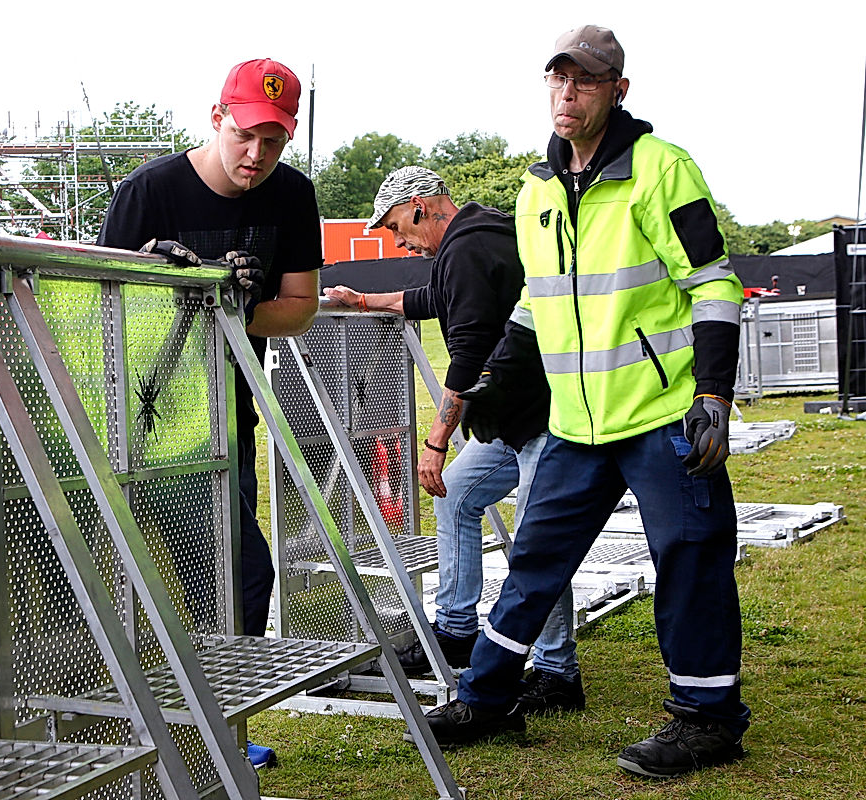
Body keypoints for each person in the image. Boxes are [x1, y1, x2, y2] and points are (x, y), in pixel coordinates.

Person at [419, 25, 750, 780]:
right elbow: (538, 299)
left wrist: (713, 395)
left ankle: (708, 720)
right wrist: (492, 378)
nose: (568, 94)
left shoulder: (662, 170)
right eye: (558, 80)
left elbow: (714, 283)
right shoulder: (535, 189)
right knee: (534, 562)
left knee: (689, 557)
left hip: (660, 413)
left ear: (617, 91)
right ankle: (487, 698)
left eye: (587, 82)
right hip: (574, 422)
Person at [323, 166, 583, 714]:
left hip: (541, 421)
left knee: (539, 544)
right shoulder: (471, 241)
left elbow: (465, 358)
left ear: (420, 207)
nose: (397, 242)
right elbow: (428, 299)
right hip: (507, 422)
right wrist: (363, 301)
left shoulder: (467, 248)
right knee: (456, 497)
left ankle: (559, 674)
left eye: (396, 228)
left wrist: (436, 439)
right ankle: (458, 628)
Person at [97, 58, 320, 642]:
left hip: (224, 419)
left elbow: (300, 306)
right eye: (243, 134)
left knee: (239, 579)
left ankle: (221, 728)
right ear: (216, 118)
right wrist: (160, 285)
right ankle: (140, 723)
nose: (256, 155)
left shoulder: (293, 195)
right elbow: (96, 321)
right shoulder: (149, 192)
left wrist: (237, 309)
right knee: (113, 584)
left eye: (272, 141)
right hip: (135, 424)